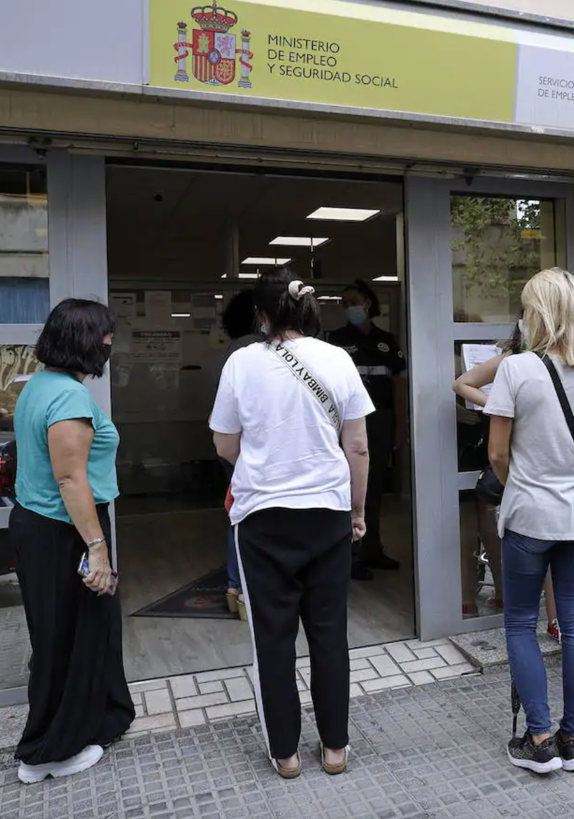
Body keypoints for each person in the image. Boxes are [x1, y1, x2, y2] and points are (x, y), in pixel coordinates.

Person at [210, 269, 373, 778]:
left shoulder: (241, 362)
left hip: (262, 519)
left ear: (262, 316)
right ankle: (335, 749)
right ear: (308, 311)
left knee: (273, 638)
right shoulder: (338, 359)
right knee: (329, 634)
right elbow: (358, 445)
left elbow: (224, 443)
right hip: (327, 513)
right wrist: (358, 510)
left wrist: (261, 463)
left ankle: (285, 754)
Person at [484, 268, 574, 774]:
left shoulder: (515, 370)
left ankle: (539, 738)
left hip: (527, 518)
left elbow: (497, 454)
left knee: (521, 623)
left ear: (535, 314)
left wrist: (526, 479)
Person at [10, 298, 134, 784]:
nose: (109, 344)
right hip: (64, 531)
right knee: (68, 640)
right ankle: (47, 754)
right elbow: (70, 479)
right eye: (105, 335)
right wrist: (97, 549)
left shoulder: (38, 386)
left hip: (44, 526)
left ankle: (90, 723)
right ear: (83, 339)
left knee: (69, 635)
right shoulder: (68, 398)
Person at [453, 319, 560, 639]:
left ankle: (545, 617)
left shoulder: (558, 358)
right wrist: (501, 407)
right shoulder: (514, 361)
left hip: (534, 463)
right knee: (533, 539)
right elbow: (462, 384)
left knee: (534, 540)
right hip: (524, 459)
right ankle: (545, 618)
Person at [328, 280, 407, 580]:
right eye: (344, 303)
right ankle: (350, 554)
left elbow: (398, 386)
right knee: (349, 485)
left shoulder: (387, 341)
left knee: (374, 488)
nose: (350, 307)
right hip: (347, 423)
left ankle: (372, 548)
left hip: (380, 421)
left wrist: (400, 426)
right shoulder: (335, 341)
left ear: (369, 304)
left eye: (354, 301)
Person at [216, 289, 264, 617]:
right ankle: (247, 591)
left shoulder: (233, 349)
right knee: (254, 519)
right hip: (253, 447)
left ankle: (235, 587)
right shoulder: (255, 348)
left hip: (234, 444)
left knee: (238, 513)